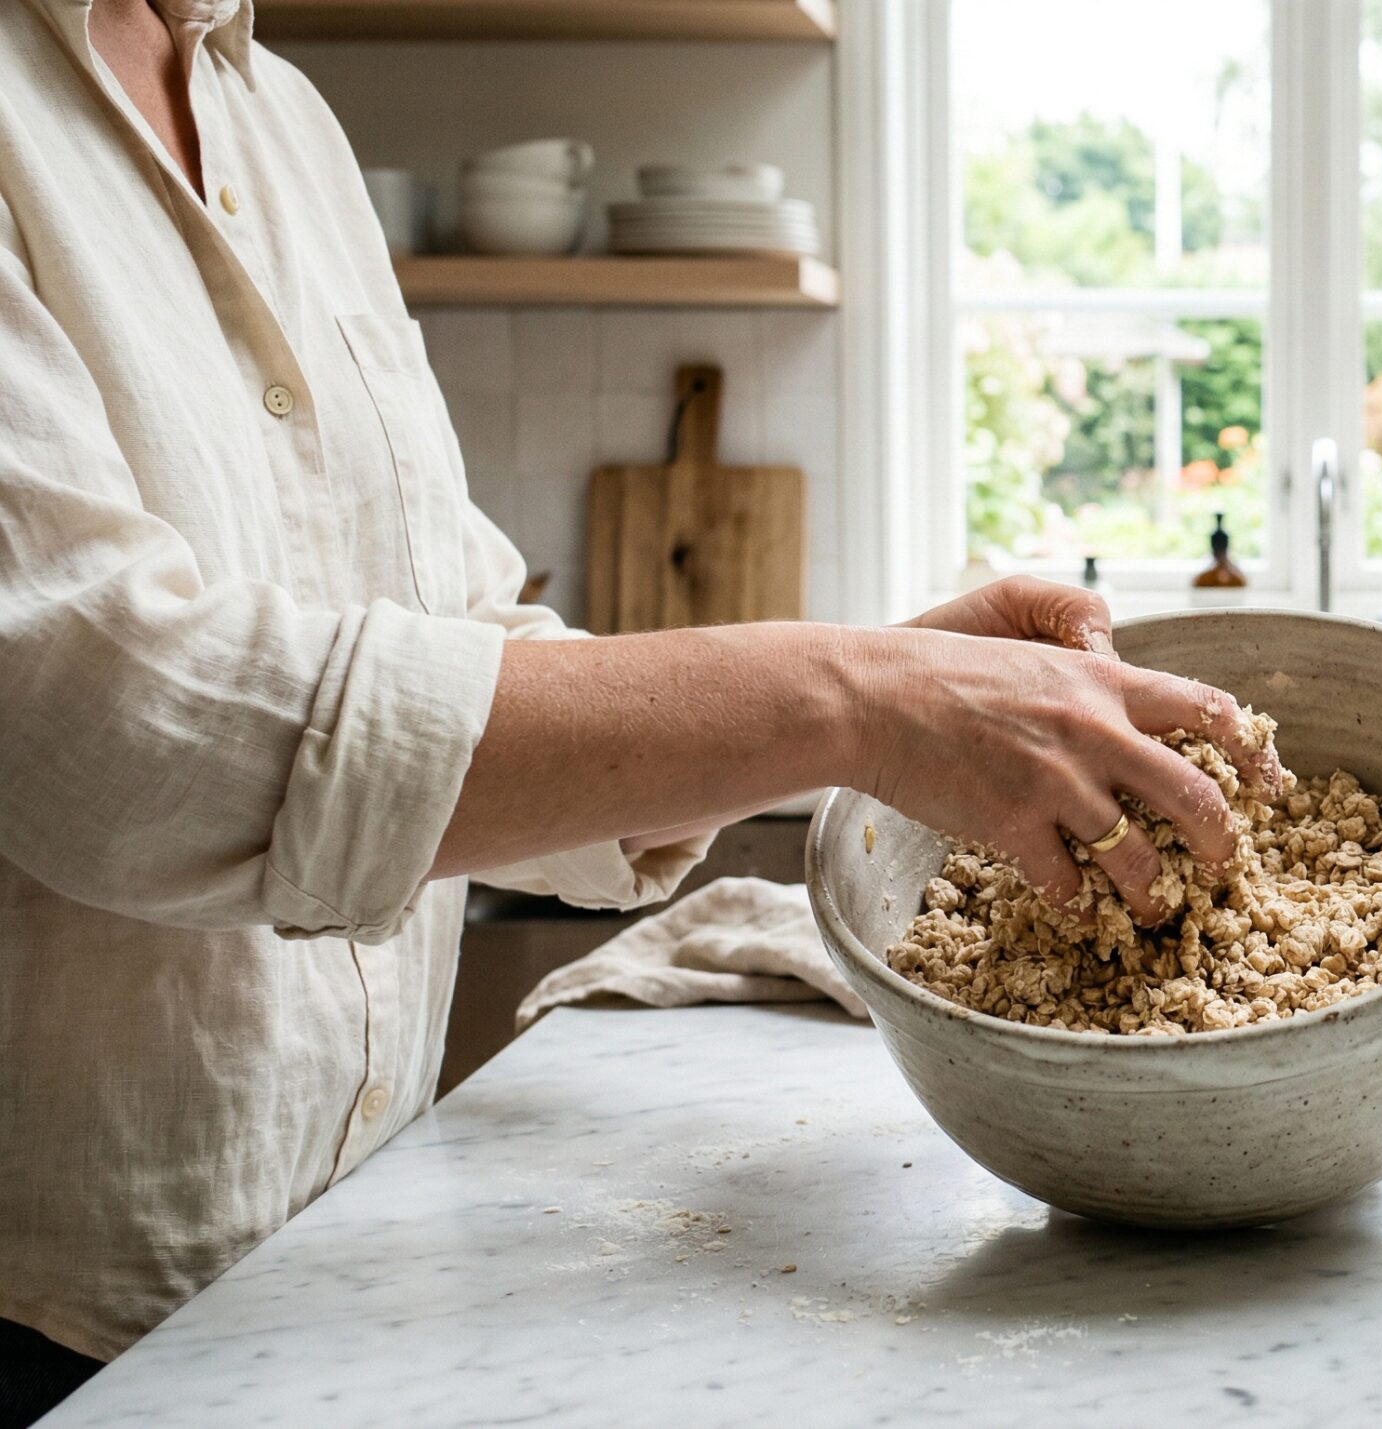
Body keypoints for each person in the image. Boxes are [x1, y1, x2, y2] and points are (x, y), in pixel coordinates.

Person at [0, 2, 1275, 1420]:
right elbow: (105, 719)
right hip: (59, 1331)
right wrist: (851, 696)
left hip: (348, 1267)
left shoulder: (280, 117)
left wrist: (877, 678)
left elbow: (460, 638)